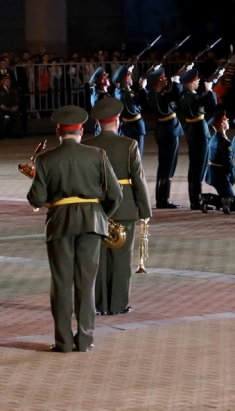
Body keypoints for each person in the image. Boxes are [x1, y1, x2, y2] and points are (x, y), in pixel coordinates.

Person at [27, 104, 121, 353]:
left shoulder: (46, 159)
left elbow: (36, 199)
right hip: (92, 221)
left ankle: (63, 342)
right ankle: (85, 339)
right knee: (86, 283)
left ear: (59, 132)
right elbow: (115, 193)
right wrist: (101, 216)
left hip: (59, 223)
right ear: (81, 131)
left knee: (61, 283)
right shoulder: (97, 154)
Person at [86, 98, 151, 317]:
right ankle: (118, 304)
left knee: (99, 258)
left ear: (98, 122)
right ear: (117, 121)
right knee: (121, 259)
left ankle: (98, 304)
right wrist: (145, 211)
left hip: (96, 208)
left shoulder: (87, 145)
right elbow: (138, 180)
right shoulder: (128, 145)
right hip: (124, 207)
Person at [178, 67, 218, 210]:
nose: (198, 82)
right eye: (196, 81)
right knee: (198, 168)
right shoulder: (191, 97)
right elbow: (212, 103)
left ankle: (195, 199)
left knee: (194, 168)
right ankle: (196, 201)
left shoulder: (186, 95)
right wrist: (209, 90)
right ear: (190, 83)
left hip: (193, 132)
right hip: (199, 133)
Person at [146, 66, 183, 209]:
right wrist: (177, 81)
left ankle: (161, 198)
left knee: (164, 167)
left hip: (165, 131)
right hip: (169, 132)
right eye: (163, 79)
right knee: (168, 167)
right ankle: (163, 200)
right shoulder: (160, 96)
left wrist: (173, 83)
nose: (166, 80)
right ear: (157, 82)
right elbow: (176, 94)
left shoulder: (155, 94)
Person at [113, 65, 147, 156]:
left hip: (125, 128)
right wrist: (142, 88)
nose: (131, 78)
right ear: (126, 79)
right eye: (129, 76)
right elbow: (143, 104)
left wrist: (129, 69)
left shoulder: (118, 90)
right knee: (137, 156)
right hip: (134, 128)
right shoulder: (127, 94)